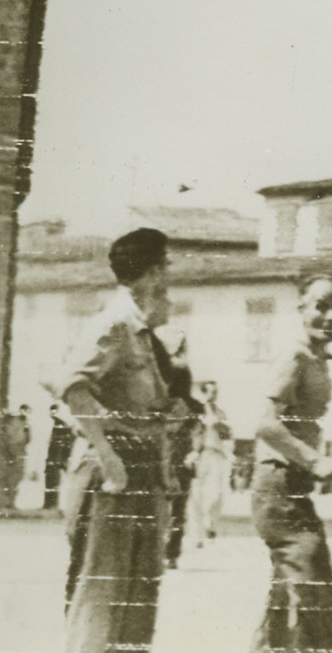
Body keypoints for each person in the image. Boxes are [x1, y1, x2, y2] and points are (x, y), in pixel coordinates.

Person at [42, 227, 173, 653]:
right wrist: (107, 454)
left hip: (141, 468)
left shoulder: (140, 330)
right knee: (102, 591)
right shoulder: (114, 323)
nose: (168, 274)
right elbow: (73, 387)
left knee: (138, 591)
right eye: (164, 266)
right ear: (152, 272)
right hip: (112, 475)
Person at [250, 274, 332, 653]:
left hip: (291, 487)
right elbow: (265, 424)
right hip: (277, 488)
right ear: (302, 309)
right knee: (318, 598)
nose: (330, 316)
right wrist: (315, 461)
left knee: (285, 598)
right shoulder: (294, 356)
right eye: (321, 306)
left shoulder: (317, 358)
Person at [163, 363, 202, 569]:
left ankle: (167, 551)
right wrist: (194, 452)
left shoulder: (163, 404)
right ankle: (170, 552)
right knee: (177, 510)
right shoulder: (194, 406)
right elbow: (198, 432)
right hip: (178, 458)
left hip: (169, 457)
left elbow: (198, 432)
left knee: (167, 508)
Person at [189, 380, 233, 545]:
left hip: (217, 455)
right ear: (202, 393)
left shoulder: (221, 413)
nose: (213, 395)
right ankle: (197, 535)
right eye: (209, 392)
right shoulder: (196, 411)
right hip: (199, 454)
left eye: (215, 392)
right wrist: (192, 452)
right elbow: (191, 432)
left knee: (217, 493)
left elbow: (227, 435)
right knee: (196, 495)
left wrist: (217, 424)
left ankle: (210, 524)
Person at [43, 403, 76, 510]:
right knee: (51, 481)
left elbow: (67, 441)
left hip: (57, 457)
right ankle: (49, 504)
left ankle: (53, 505)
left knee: (55, 481)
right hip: (53, 457)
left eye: (55, 411)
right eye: (52, 411)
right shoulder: (53, 423)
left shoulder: (62, 424)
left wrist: (65, 458)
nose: (52, 413)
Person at [0, 404, 31, 511]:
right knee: (4, 477)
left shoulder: (23, 422)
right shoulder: (7, 421)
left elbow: (27, 438)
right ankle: (4, 503)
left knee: (15, 477)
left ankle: (9, 503)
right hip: (7, 452)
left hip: (18, 451)